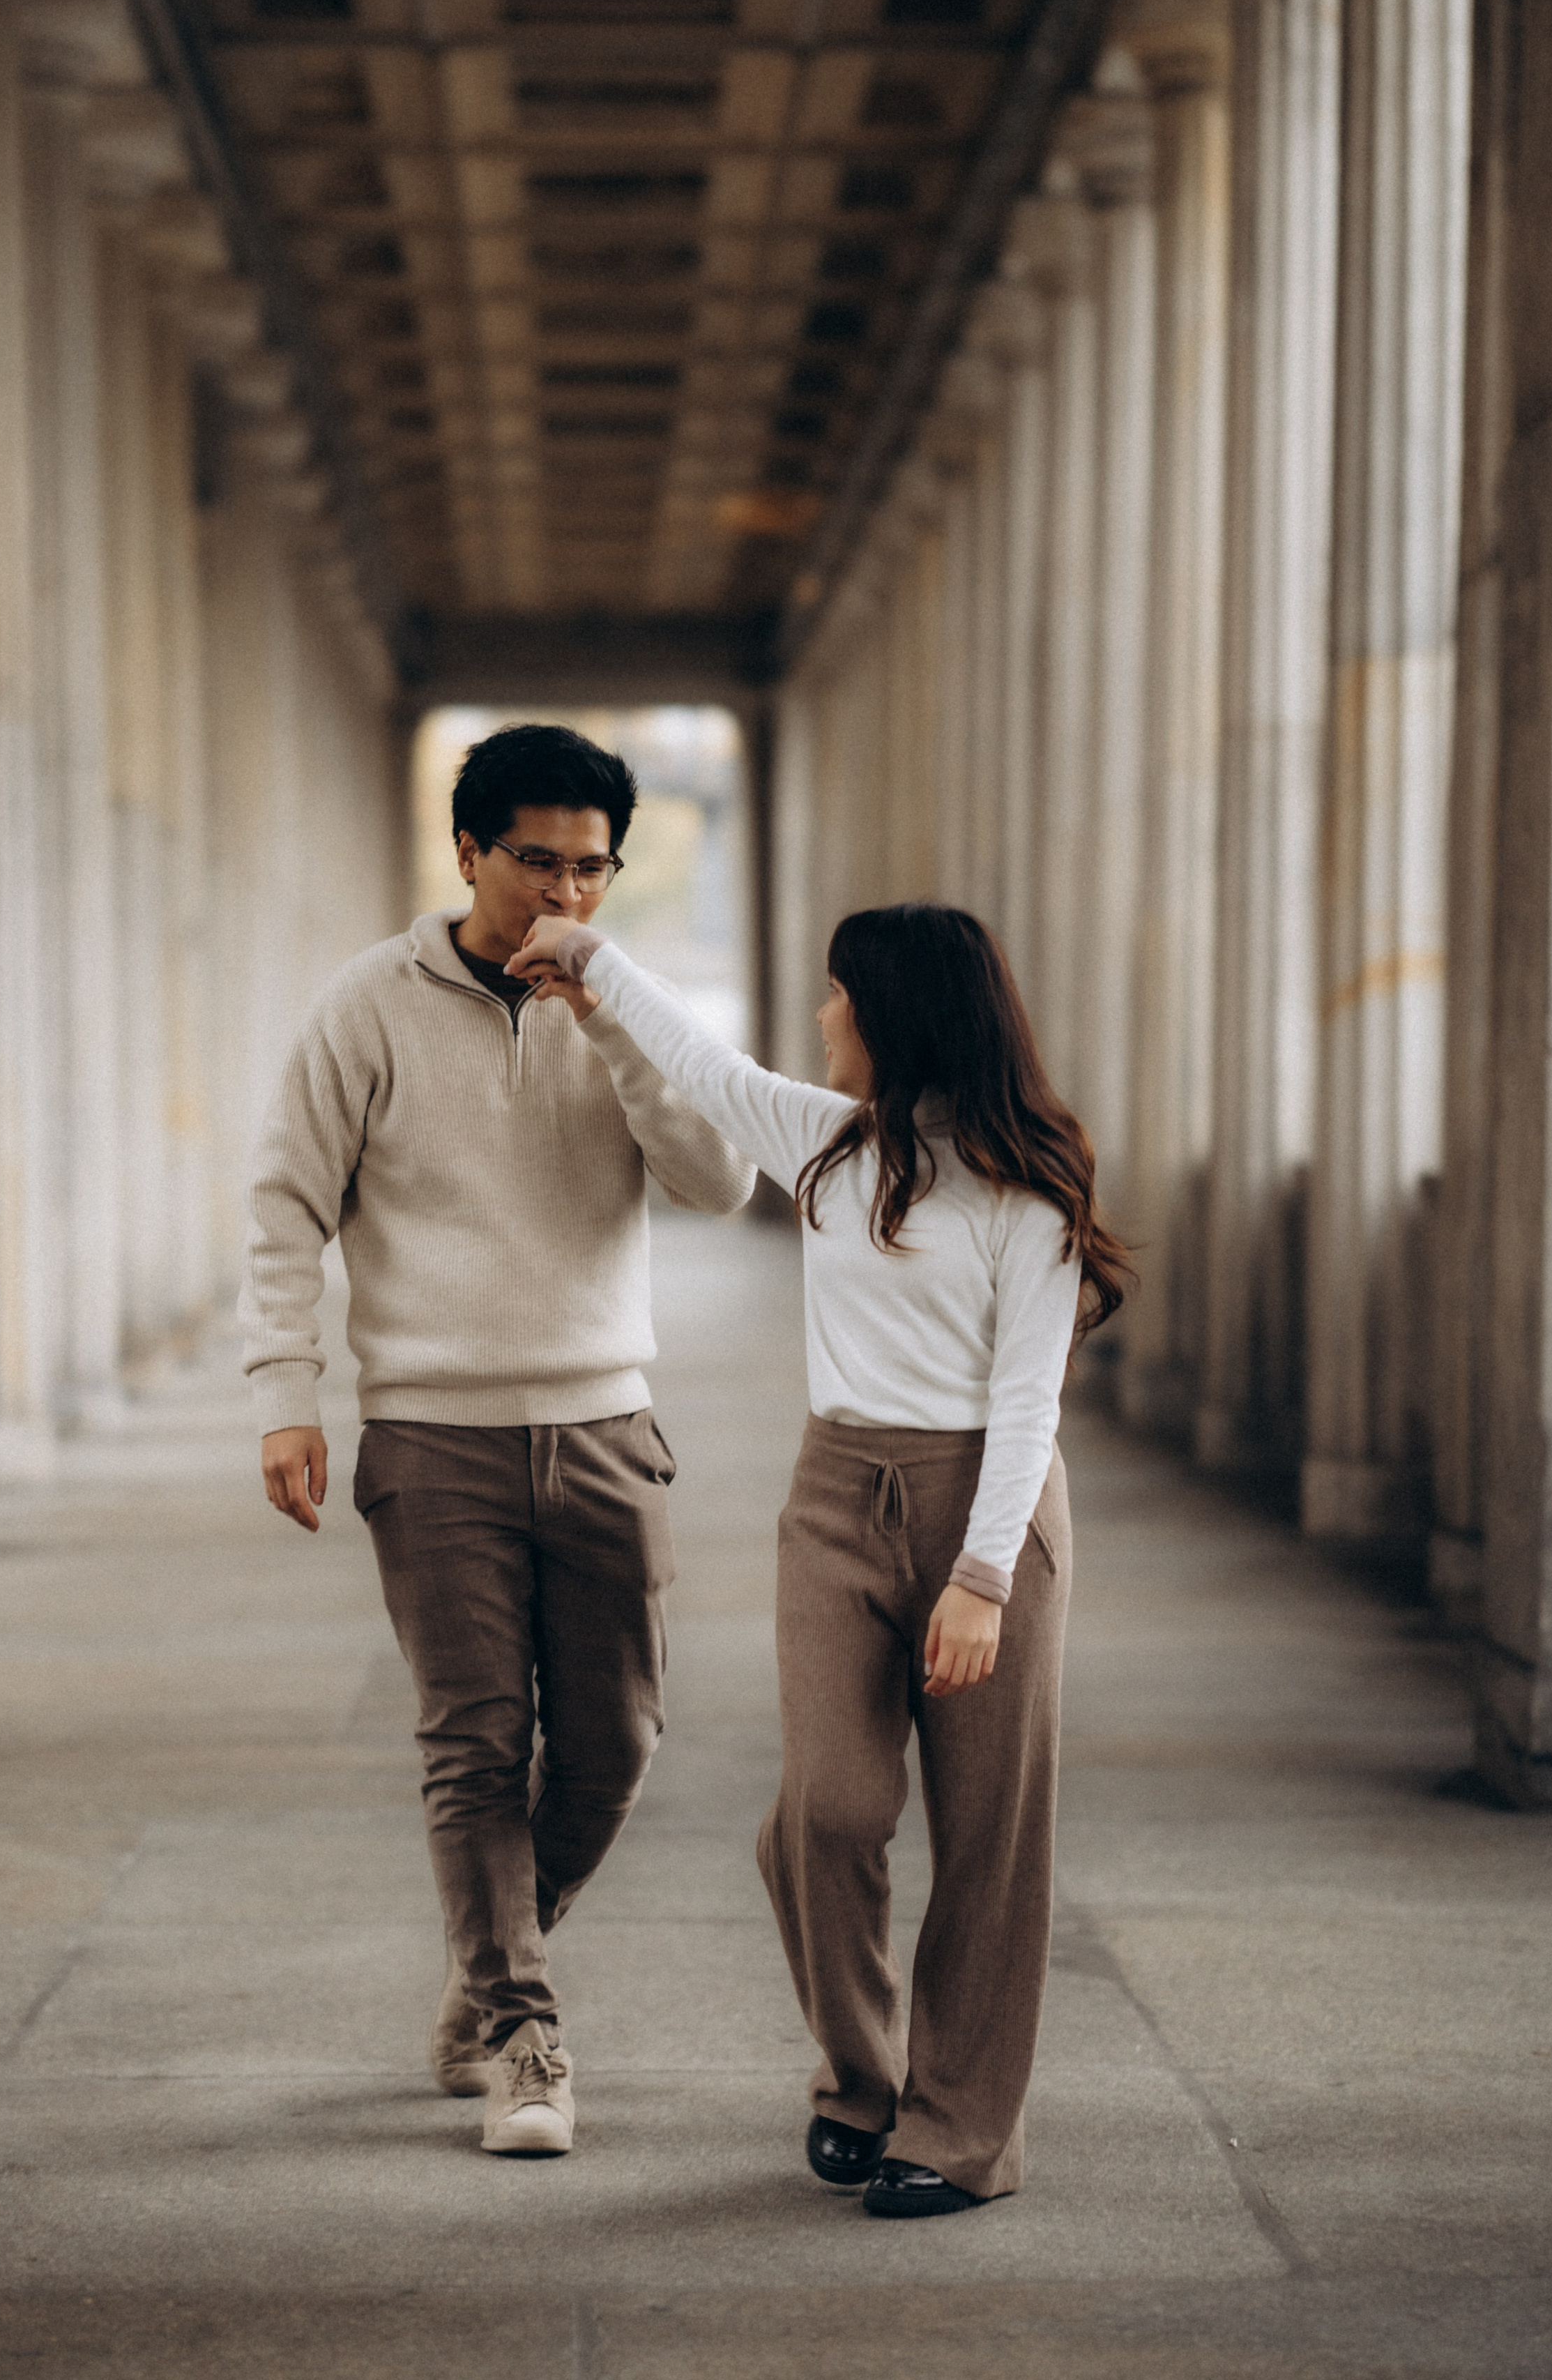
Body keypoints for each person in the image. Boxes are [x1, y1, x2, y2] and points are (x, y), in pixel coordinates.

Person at [511, 900, 1129, 2215]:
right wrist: (590, 955)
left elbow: (1029, 1400)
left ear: (898, 1012)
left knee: (991, 1836)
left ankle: (965, 2132)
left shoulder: (1029, 1181)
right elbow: (705, 1065)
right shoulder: (828, 1143)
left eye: (840, 994)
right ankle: (864, 2073)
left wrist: (982, 1579)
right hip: (837, 1496)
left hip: (989, 1504)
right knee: (828, 1812)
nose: (823, 1015)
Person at [241, 725, 755, 2159]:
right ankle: (526, 2035)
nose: (566, 893)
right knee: (473, 1744)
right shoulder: (368, 1005)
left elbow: (719, 1179)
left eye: (593, 868)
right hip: (434, 1435)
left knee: (614, 1744)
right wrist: (285, 1390)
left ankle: (481, 1973)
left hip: (606, 1424)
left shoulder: (629, 1002)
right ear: (468, 851)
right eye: (539, 861)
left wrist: (614, 1022)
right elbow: (285, 1200)